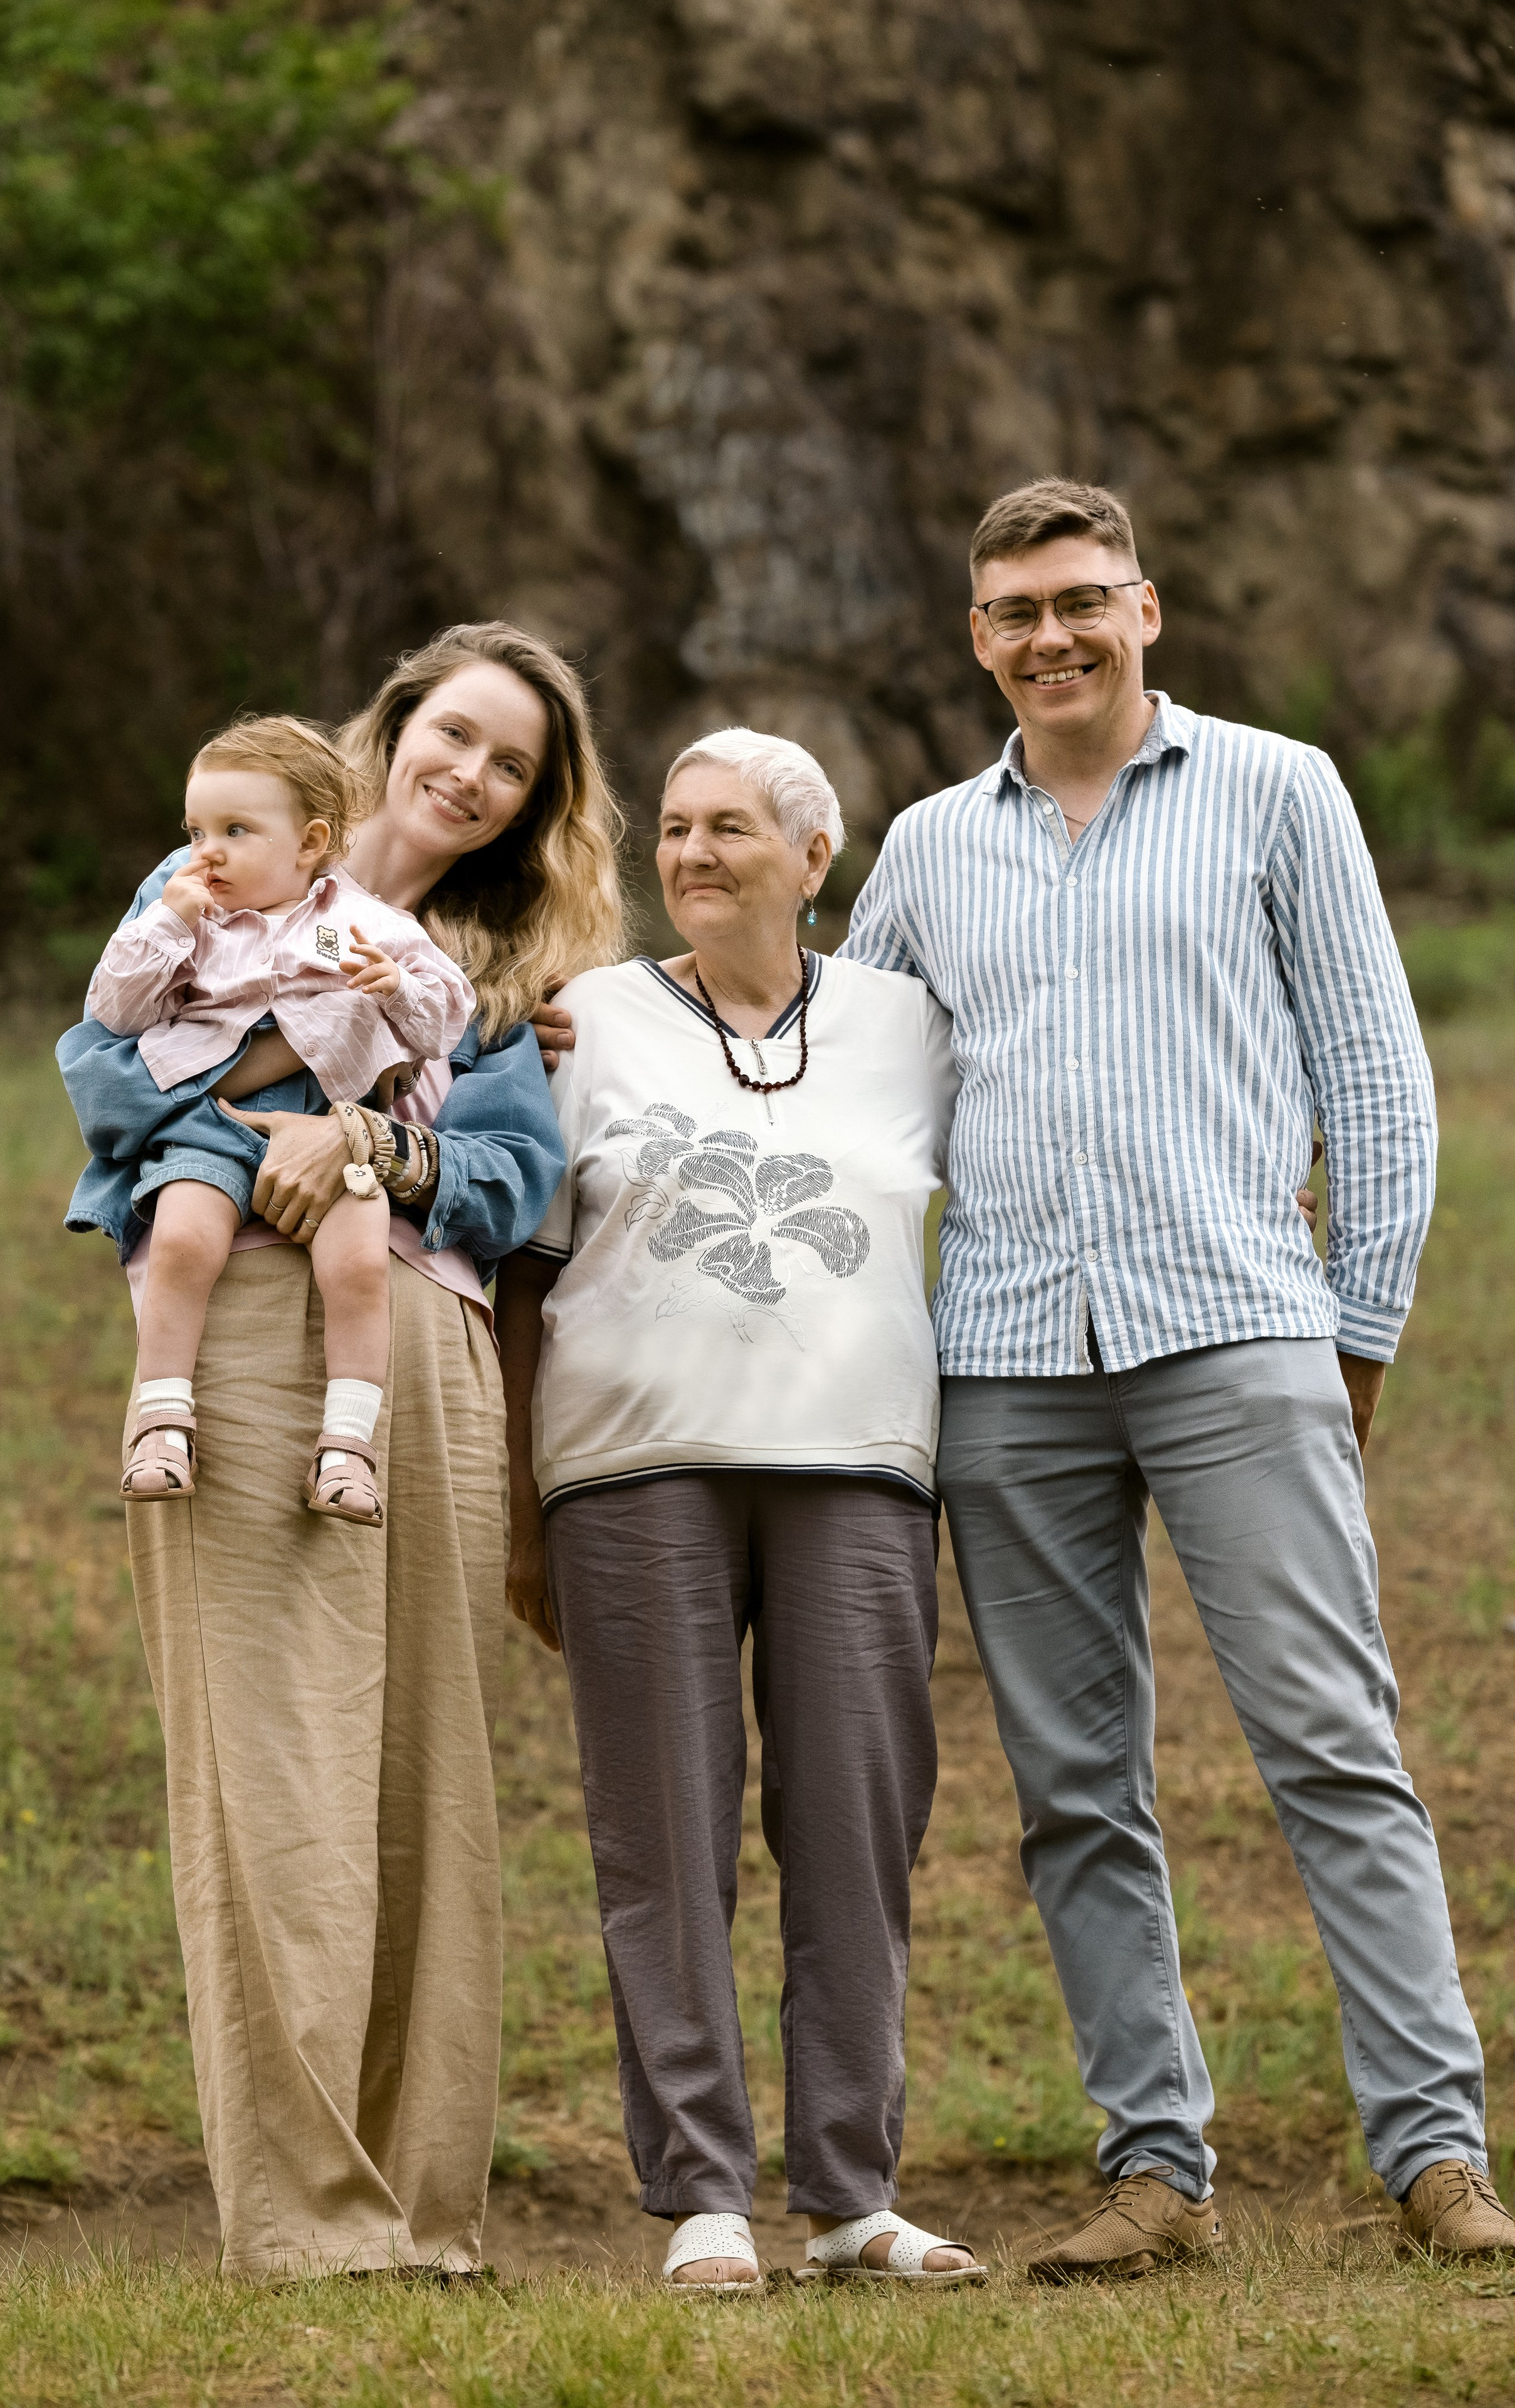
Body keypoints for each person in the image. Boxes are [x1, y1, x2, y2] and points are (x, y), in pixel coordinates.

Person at [832, 477, 1511, 2273]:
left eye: (1081, 600)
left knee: (1334, 1752)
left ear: (1148, 609)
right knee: (1076, 1790)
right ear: (978, 640)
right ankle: (1157, 2169)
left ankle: (1439, 2158)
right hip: (1005, 1364)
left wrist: (1351, 1336)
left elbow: (1375, 1082)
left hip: (1238, 1329)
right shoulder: (921, 850)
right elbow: (839, 1093)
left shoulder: (1279, 792)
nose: (1050, 636)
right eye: (1014, 612)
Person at [59, 622, 623, 2280]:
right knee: (272, 1767)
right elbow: (102, 1070)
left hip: (428, 1355)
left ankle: (427, 2215)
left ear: (531, 805)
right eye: (453, 732)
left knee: (424, 1784)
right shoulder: (220, 863)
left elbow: (520, 1177)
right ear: (389, 729)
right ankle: (309, 2220)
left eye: (512, 765)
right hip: (230, 1320)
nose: (470, 773)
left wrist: (374, 1139)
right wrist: (260, 1135)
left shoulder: (499, 969)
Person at [499, 728, 986, 2291]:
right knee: (664, 1837)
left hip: (857, 1467)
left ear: (808, 858)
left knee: (854, 1827)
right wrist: (521, 1501)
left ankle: (851, 2197)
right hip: (630, 1468)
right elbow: (521, 1268)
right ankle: (703, 2195)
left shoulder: (912, 1026)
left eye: (728, 831)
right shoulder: (582, 1025)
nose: (693, 855)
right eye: (676, 832)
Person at [83, 715, 475, 1523]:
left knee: (360, 1265)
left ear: (310, 842)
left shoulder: (364, 922)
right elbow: (114, 1015)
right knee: (184, 1239)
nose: (207, 852)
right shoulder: (194, 924)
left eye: (235, 830)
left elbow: (446, 1022)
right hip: (214, 1119)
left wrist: (394, 986)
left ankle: (347, 1449)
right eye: (195, 830)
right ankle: (160, 1421)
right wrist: (166, 924)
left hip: (336, 1124)